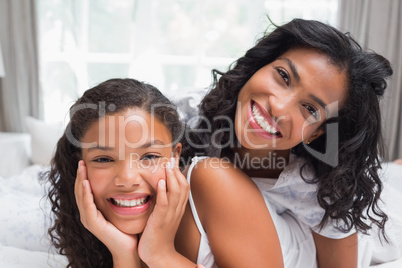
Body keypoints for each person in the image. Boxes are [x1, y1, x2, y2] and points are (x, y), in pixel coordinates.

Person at [181, 18, 402, 267]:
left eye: (309, 108)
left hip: (387, 223)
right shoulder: (190, 115)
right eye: (283, 76)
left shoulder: (320, 184)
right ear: (258, 67)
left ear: (316, 133)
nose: (279, 107)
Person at [44, 78, 284, 268]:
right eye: (104, 159)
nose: (127, 179)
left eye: (149, 157)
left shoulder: (212, 181)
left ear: (175, 156)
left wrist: (160, 255)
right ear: (80, 166)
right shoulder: (96, 238)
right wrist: (124, 254)